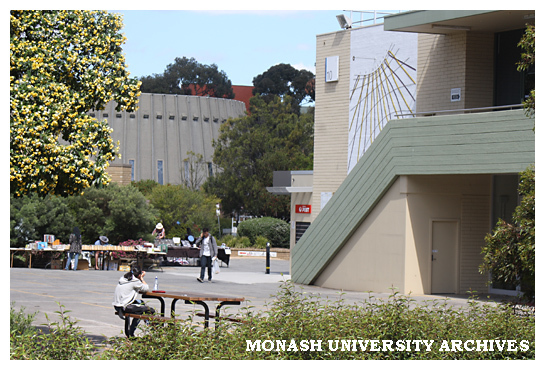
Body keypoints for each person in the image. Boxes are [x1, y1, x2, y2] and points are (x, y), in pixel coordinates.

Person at [112, 265, 155, 337]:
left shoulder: (124, 278)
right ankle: (133, 332)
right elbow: (146, 288)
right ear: (138, 275)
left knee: (141, 303)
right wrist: (142, 278)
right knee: (150, 310)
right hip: (125, 307)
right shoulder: (135, 281)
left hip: (118, 306)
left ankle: (132, 332)